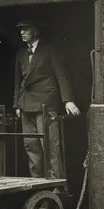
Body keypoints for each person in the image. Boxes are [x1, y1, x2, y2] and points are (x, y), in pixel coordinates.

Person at [12, 20, 80, 179]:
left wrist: (68, 100)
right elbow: (17, 81)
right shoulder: (20, 54)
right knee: (31, 147)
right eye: (20, 30)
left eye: (25, 29)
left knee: (50, 148)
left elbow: (61, 76)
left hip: (45, 104)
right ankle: (37, 185)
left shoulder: (49, 51)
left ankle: (56, 185)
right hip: (25, 105)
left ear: (35, 31)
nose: (22, 32)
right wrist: (16, 104)